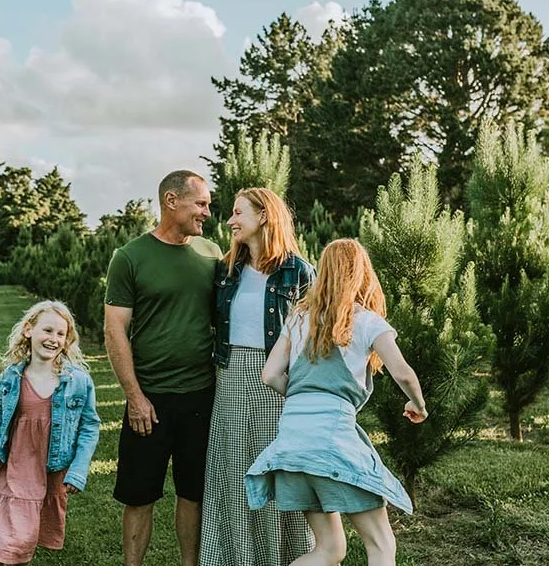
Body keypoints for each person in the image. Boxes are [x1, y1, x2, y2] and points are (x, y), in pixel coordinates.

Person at [245, 239, 428, 566]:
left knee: (329, 550)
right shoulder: (368, 321)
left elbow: (270, 374)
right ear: (361, 274)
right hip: (331, 441)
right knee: (381, 545)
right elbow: (402, 372)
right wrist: (418, 404)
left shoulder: (299, 318)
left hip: (292, 443)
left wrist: (303, 397)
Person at [104, 169, 222, 566]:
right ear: (172, 201)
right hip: (149, 399)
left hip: (201, 396)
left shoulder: (211, 254)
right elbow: (115, 331)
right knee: (140, 495)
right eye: (200, 203)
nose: (207, 212)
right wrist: (134, 397)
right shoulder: (130, 257)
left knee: (194, 492)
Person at [201, 187, 316, 566]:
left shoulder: (298, 271)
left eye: (238, 213)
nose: (230, 221)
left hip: (276, 378)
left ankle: (282, 556)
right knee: (231, 467)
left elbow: (315, 337)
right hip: (230, 373)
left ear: (264, 215)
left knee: (275, 466)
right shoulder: (226, 269)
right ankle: (232, 556)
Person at [0, 300, 100, 565]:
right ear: (28, 330)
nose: (54, 339)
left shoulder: (78, 381)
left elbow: (89, 426)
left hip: (49, 469)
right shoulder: (12, 377)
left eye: (61, 334)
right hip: (15, 466)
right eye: (47, 330)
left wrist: (78, 469)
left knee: (19, 544)